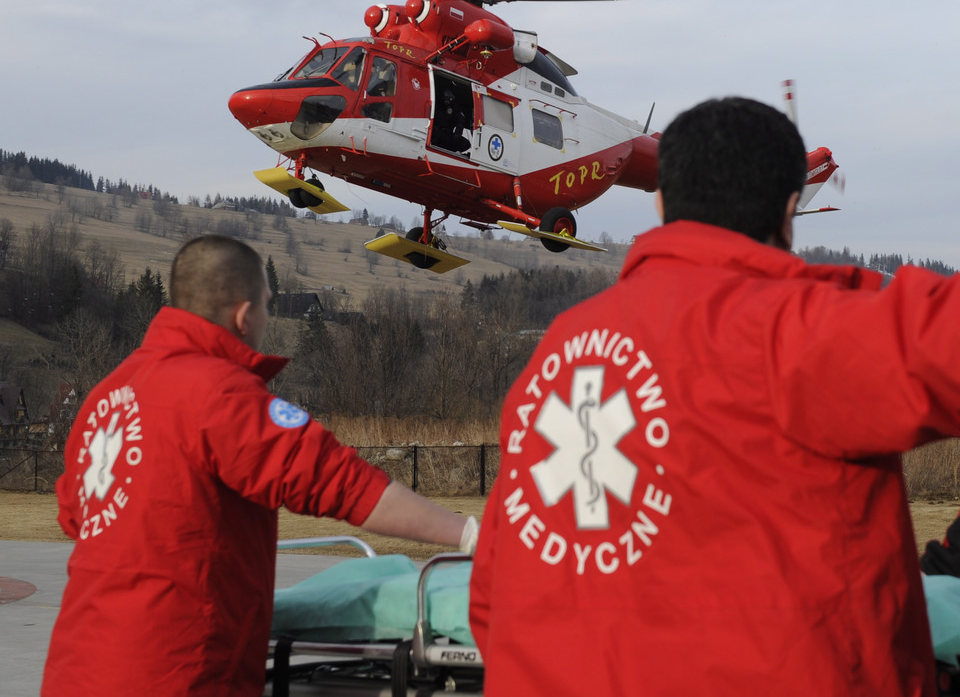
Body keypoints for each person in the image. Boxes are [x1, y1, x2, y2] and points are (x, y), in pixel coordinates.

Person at [470, 97, 960, 696]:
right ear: (788, 211)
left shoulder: (557, 353)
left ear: (659, 203)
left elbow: (492, 594)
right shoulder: (804, 332)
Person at [42, 234, 475, 696]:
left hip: (75, 664)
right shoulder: (218, 392)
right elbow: (341, 482)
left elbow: (76, 516)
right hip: (176, 671)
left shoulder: (105, 399)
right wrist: (468, 534)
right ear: (245, 315)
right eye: (267, 305)